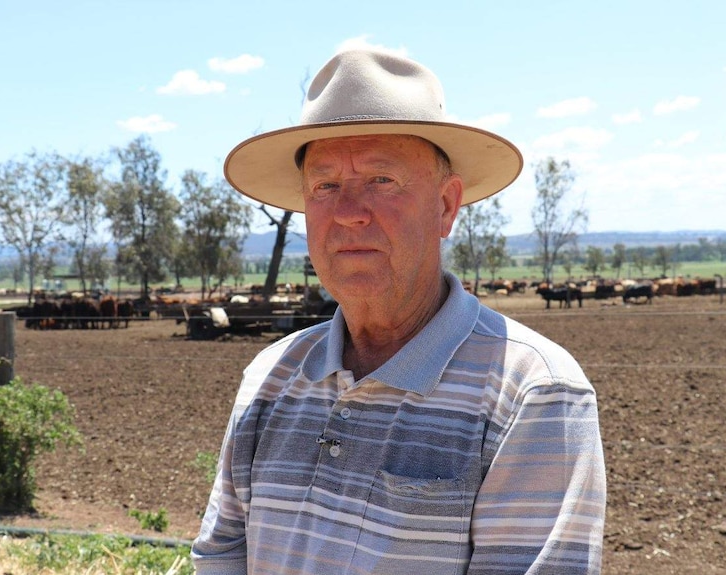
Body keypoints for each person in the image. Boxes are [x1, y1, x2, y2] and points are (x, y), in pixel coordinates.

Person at [192, 48, 606, 575]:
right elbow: (221, 555)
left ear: (446, 206)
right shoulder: (269, 378)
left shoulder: (532, 393)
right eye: (325, 186)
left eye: (381, 180)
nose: (347, 213)